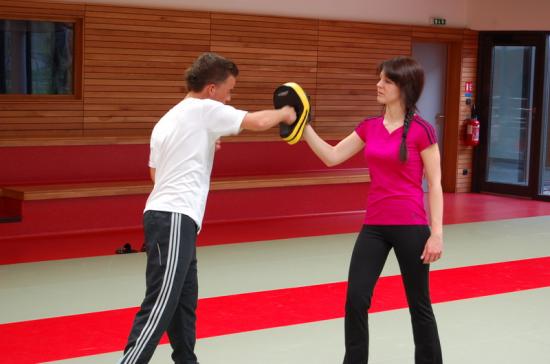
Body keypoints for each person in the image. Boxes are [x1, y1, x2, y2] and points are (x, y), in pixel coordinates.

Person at [117, 52, 296, 364]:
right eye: (229, 90)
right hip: (173, 217)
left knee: (184, 302)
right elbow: (256, 121)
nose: (230, 97)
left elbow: (155, 174)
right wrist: (286, 112)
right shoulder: (204, 109)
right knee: (161, 301)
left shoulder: (169, 118)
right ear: (212, 89)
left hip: (172, 217)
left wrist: (199, 147)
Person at [302, 56, 443, 363]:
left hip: (411, 226)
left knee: (419, 305)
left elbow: (436, 184)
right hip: (375, 226)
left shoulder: (422, 131)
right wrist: (304, 127)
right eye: (379, 78)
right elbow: (332, 156)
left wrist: (437, 234)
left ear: (404, 87)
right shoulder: (369, 127)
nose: (378, 85)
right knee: (355, 301)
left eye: (386, 81)